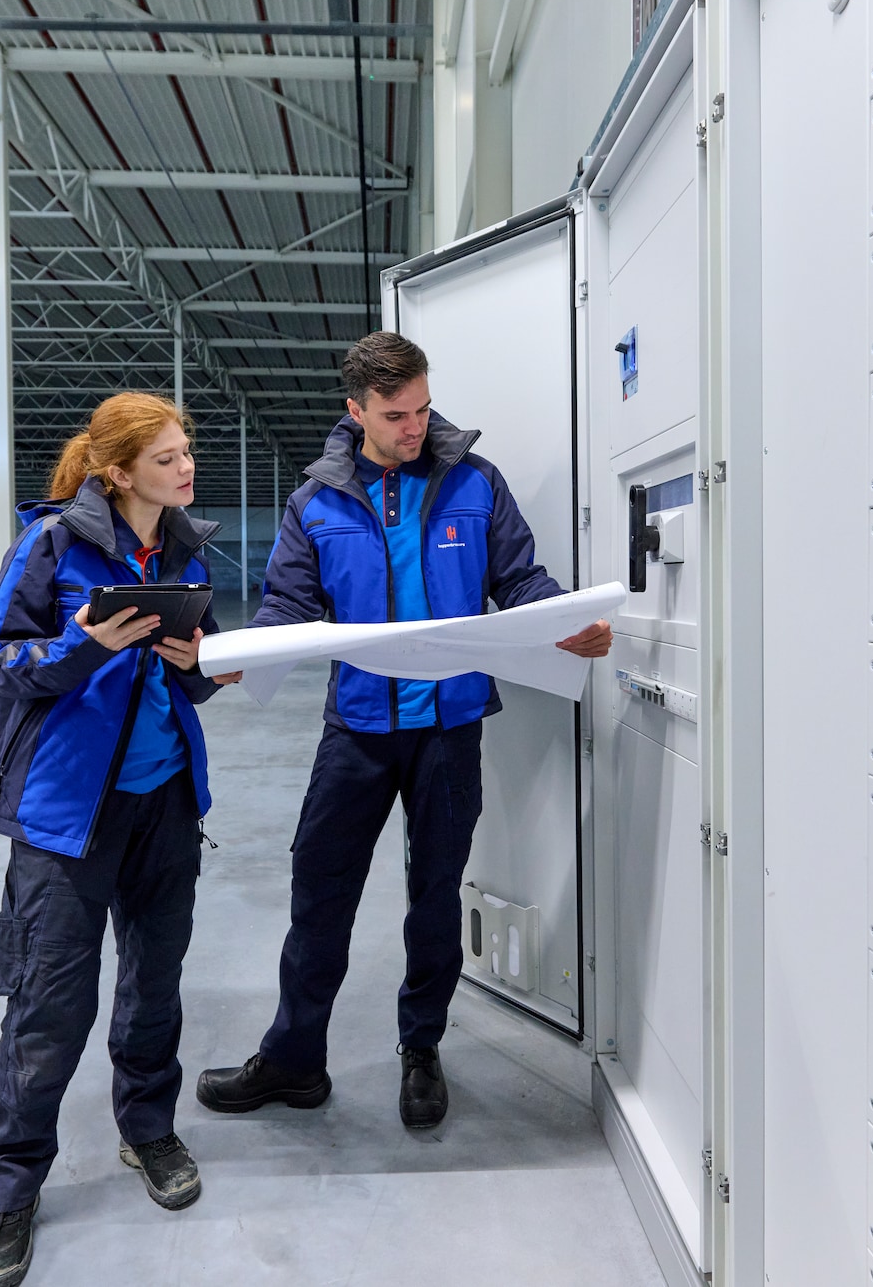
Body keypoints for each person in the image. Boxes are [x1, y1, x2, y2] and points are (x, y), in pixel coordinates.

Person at [196, 331, 612, 1131]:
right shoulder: (316, 501)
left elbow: (520, 579)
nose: (416, 425)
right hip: (356, 727)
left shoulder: (474, 484)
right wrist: (241, 654)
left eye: (422, 407)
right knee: (319, 893)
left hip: (450, 730)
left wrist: (568, 623)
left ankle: (420, 1050)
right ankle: (294, 1059)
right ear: (355, 411)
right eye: (396, 414)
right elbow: (288, 605)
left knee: (433, 899)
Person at [0, 393, 236, 1287]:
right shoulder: (51, 545)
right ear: (117, 472)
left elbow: (206, 667)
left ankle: (147, 1129)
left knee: (154, 985)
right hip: (67, 816)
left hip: (164, 803)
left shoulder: (187, 547)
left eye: (186, 450)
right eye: (166, 457)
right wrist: (79, 648)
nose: (185, 467)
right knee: (51, 1004)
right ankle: (11, 1187)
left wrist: (204, 667)